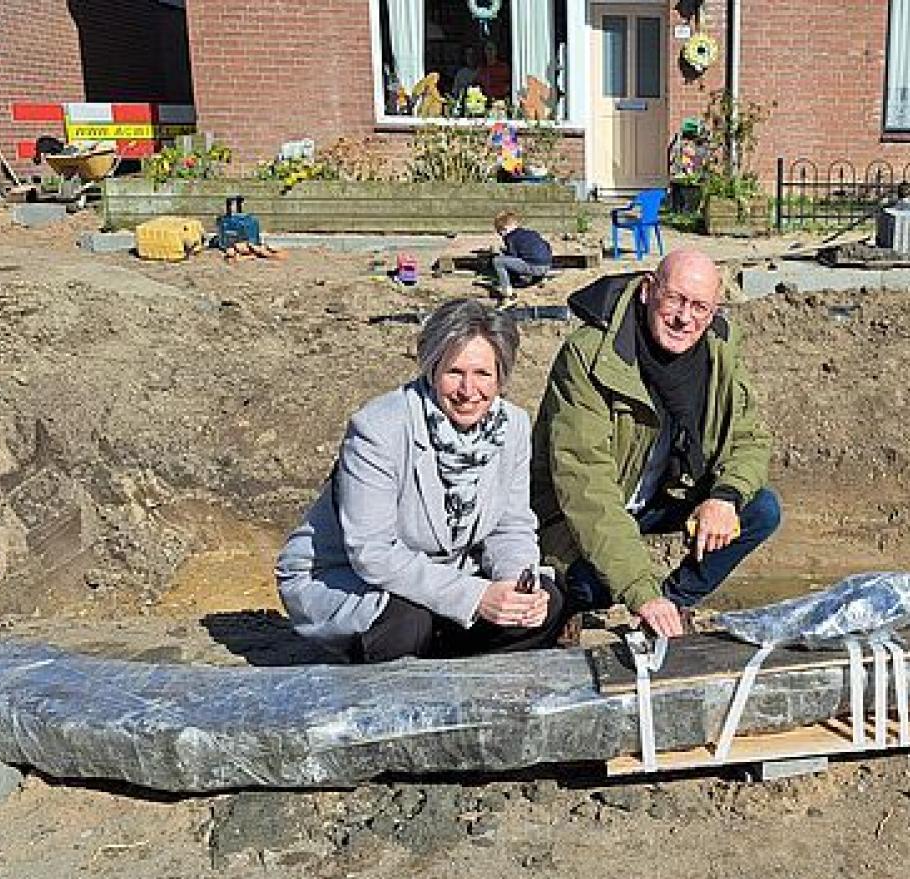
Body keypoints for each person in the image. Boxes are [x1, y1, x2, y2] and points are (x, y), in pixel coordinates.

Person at [275, 299, 564, 663]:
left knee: (546, 603)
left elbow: (511, 525)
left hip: (448, 573)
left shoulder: (514, 426)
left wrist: (515, 585)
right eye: (454, 372)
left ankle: (450, 663)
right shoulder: (378, 429)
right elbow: (372, 552)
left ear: (500, 376)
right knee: (408, 623)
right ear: (431, 368)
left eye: (483, 374)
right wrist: (476, 597)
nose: (468, 390)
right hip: (354, 577)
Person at [531, 249, 779, 640]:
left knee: (760, 510)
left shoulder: (719, 349)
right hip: (581, 509)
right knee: (594, 585)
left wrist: (725, 498)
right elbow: (585, 485)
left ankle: (674, 603)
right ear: (648, 290)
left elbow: (748, 438)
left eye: (700, 307)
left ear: (713, 312)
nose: (685, 318)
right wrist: (639, 592)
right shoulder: (588, 355)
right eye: (676, 299)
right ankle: (570, 612)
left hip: (660, 495)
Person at [489, 210, 552, 305]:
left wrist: (501, 252)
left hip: (534, 267)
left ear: (504, 229)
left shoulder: (510, 237)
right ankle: (540, 278)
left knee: (498, 261)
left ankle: (507, 292)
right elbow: (547, 245)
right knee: (528, 258)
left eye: (499, 232)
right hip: (547, 265)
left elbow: (513, 256)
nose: (500, 235)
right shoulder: (531, 233)